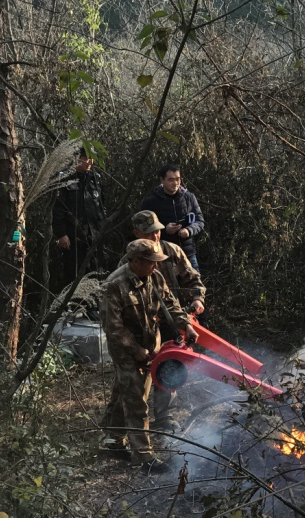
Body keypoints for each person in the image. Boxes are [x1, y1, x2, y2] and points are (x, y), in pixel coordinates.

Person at [102, 239, 198, 474]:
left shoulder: (155, 276)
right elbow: (113, 327)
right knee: (136, 401)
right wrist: (135, 350)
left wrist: (186, 324)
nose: (155, 266)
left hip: (150, 343)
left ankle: (113, 439)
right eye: (150, 262)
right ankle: (144, 457)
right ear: (135, 261)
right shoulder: (114, 285)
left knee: (127, 390)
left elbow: (169, 304)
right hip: (125, 348)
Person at [113, 210, 206, 432]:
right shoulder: (129, 263)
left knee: (169, 368)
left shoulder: (172, 251)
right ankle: (130, 422)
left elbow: (192, 278)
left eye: (157, 231)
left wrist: (197, 299)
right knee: (138, 374)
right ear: (137, 233)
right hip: (142, 326)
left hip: (172, 320)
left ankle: (164, 416)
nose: (155, 236)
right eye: (149, 233)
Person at [52, 148, 106, 286]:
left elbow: (101, 204)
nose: (90, 162)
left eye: (92, 158)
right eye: (86, 158)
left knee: (96, 272)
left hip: (94, 233)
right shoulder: (64, 178)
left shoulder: (95, 178)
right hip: (73, 235)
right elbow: (57, 208)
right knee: (73, 274)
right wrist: (61, 234)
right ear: (77, 157)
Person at [140, 164, 204, 271]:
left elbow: (200, 221)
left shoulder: (189, 197)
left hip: (188, 253)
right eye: (171, 180)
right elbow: (143, 229)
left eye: (178, 179)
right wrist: (165, 230)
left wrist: (189, 231)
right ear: (162, 180)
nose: (175, 183)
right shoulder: (150, 202)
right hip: (162, 254)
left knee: (195, 281)